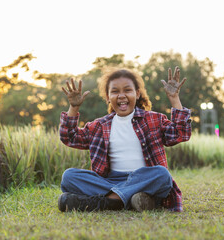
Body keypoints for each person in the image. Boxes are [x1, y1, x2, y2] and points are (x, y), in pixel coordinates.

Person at [58, 67, 191, 212]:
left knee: (162, 174)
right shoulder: (99, 126)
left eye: (127, 90)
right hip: (110, 181)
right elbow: (69, 137)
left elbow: (181, 133)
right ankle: (134, 199)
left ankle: (107, 202)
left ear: (137, 94)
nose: (121, 95)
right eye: (115, 91)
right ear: (108, 97)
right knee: (69, 176)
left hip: (144, 179)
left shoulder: (153, 119)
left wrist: (174, 99)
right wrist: (73, 108)